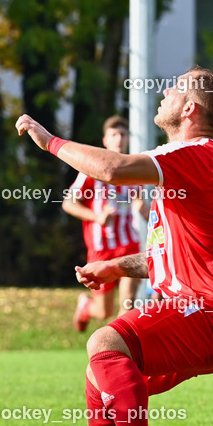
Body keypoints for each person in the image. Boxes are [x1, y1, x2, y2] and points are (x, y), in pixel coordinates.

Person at [16, 66, 213, 426]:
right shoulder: (191, 163)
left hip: (211, 313)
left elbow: (113, 168)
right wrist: (115, 267)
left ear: (189, 108)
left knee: (105, 341)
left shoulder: (198, 154)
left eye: (176, 86)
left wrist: (50, 141)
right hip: (208, 315)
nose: (164, 90)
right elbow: (166, 256)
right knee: (98, 373)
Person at [63, 116, 147, 331]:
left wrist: (145, 211)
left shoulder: (134, 170)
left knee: (127, 301)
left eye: (123, 134)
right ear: (105, 140)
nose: (119, 139)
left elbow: (142, 206)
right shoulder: (91, 170)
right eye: (114, 135)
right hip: (101, 249)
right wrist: (97, 217)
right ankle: (85, 307)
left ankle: (118, 350)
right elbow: (68, 203)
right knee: (104, 311)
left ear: (128, 138)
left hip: (129, 245)